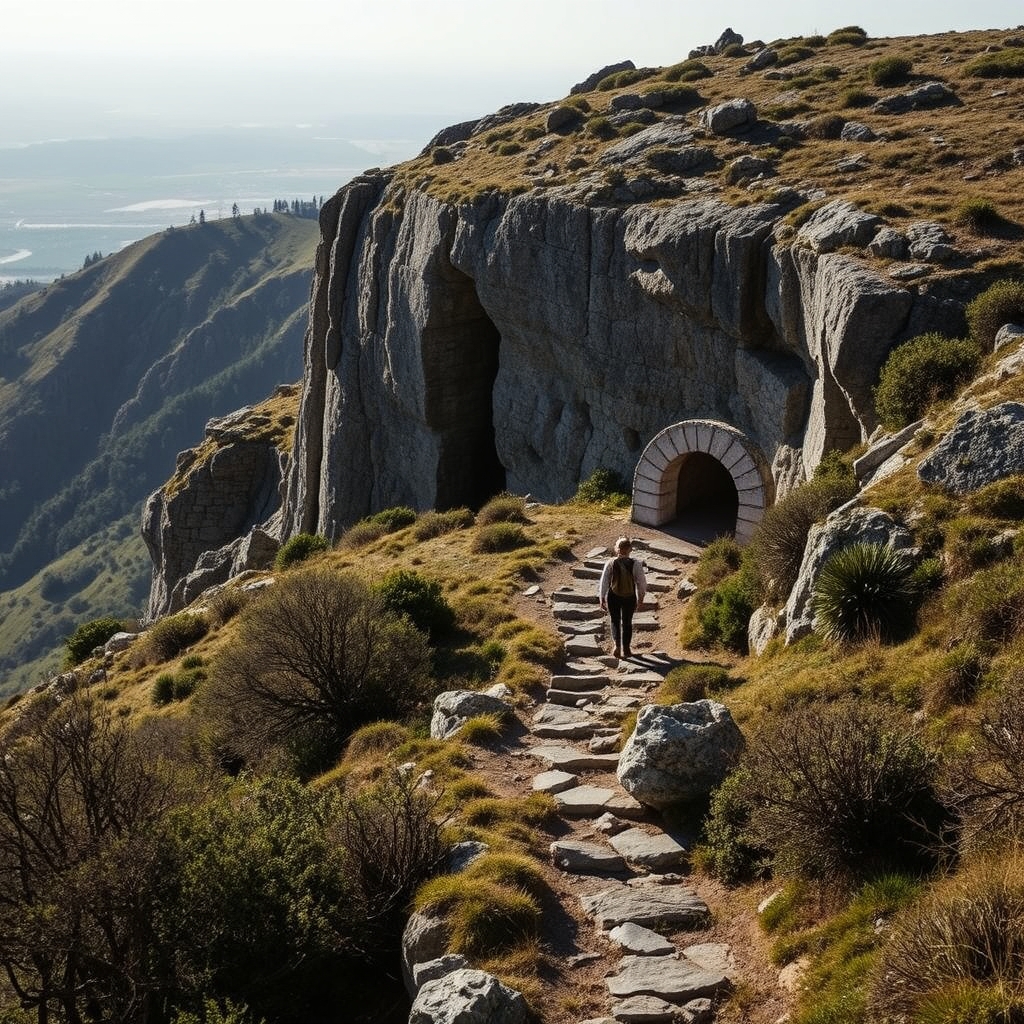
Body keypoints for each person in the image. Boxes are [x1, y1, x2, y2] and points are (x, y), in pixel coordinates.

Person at [598, 536, 647, 659]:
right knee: (627, 622)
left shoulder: (610, 563)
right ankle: (626, 648)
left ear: (617, 549)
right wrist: (640, 598)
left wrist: (602, 597)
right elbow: (641, 583)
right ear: (630, 549)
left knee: (615, 620)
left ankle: (617, 646)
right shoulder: (635, 563)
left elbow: (604, 581)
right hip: (629, 597)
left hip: (613, 596)